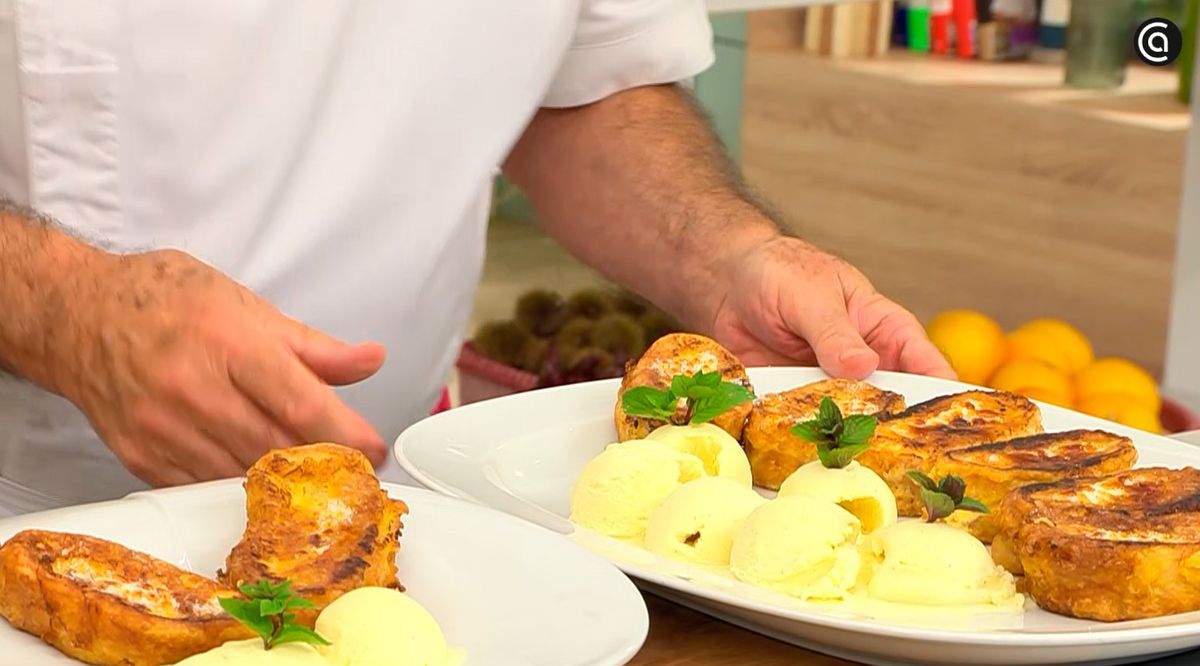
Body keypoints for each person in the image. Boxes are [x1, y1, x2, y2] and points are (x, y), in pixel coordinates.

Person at [0, 1, 952, 514]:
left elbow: (586, 87)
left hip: (387, 502)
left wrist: (730, 252)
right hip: (29, 496)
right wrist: (59, 305)